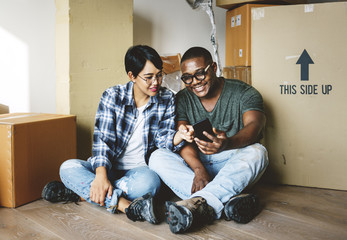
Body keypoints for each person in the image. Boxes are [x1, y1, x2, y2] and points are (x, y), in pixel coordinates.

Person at [41, 45, 187, 224]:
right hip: (110, 169)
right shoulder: (113, 96)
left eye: (159, 75)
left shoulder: (166, 98)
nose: (155, 82)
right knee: (68, 167)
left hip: (140, 172)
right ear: (132, 76)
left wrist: (177, 136)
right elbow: (102, 141)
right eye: (148, 77)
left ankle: (83, 193)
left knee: (150, 185)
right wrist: (101, 176)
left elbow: (162, 139)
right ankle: (125, 206)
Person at [149, 46, 269, 233]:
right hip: (197, 165)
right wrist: (198, 168)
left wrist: (227, 143)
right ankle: (227, 200)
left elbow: (255, 126)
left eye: (200, 74)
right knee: (157, 157)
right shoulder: (182, 98)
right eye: (187, 77)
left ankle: (199, 203)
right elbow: (182, 140)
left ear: (213, 67)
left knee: (258, 152)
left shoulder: (244, 93)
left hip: (230, 161)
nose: (194, 82)